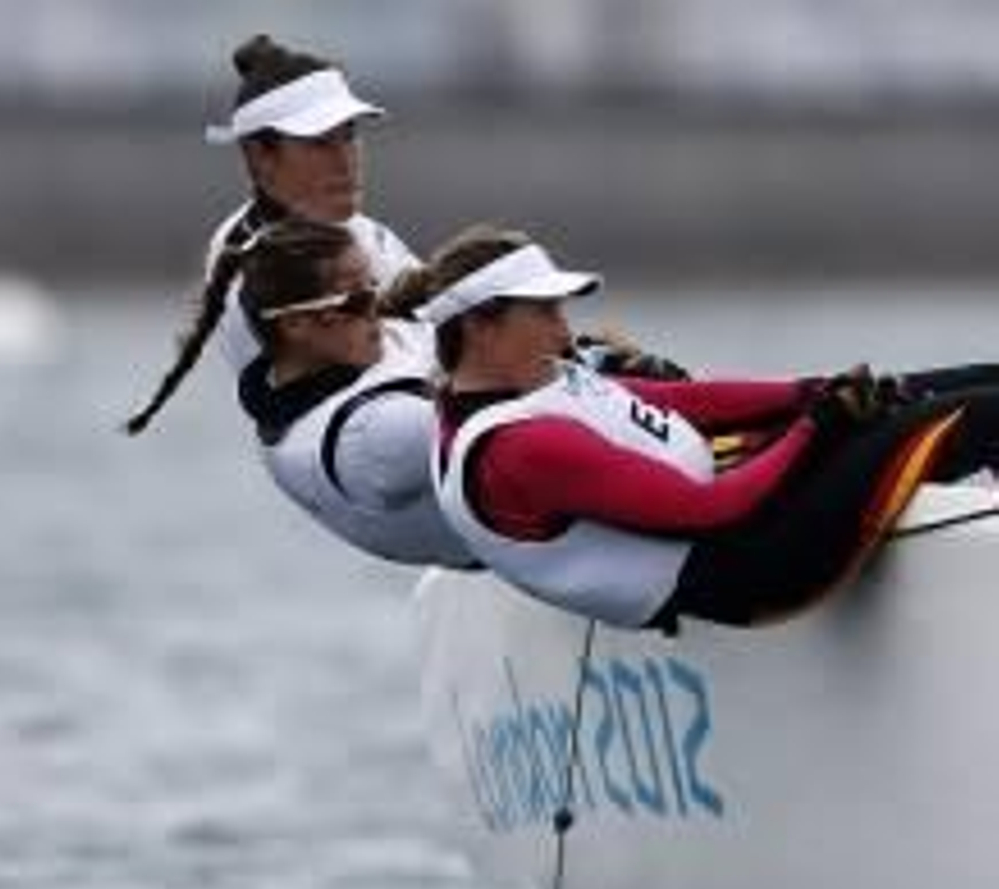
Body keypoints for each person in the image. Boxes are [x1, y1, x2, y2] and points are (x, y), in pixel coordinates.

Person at [387, 223, 999, 629]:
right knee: (986, 413)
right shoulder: (518, 448)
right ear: (479, 328)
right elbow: (714, 510)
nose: (564, 331)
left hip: (755, 515)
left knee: (959, 380)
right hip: (755, 562)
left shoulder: (527, 383)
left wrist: (810, 392)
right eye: (545, 312)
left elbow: (685, 401)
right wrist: (819, 422)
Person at [123, 34, 422, 435]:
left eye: (349, 133)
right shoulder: (262, 270)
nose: (345, 159)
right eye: (319, 142)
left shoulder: (346, 228)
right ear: (259, 156)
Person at [226, 217, 479, 568]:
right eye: (357, 301)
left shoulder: (324, 346)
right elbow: (505, 411)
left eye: (374, 290)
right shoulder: (371, 435)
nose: (376, 311)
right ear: (294, 325)